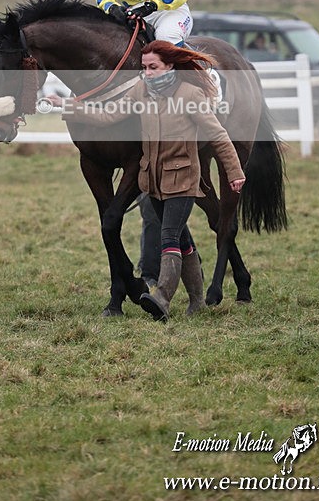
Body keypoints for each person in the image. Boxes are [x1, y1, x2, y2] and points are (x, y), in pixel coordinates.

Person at [47, 41, 245, 322]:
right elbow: (108, 116)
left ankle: (162, 297)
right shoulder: (141, 90)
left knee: (168, 237)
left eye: (153, 67)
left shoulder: (190, 95)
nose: (147, 73)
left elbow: (219, 135)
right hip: (151, 180)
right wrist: (66, 105)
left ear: (169, 67)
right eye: (144, 68)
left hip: (183, 178)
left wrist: (235, 173)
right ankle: (198, 300)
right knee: (183, 240)